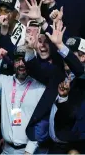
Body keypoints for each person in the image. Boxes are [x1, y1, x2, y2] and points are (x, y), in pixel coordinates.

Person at [23, 20, 84, 153]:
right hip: (54, 145)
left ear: (83, 57)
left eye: (70, 54)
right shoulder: (58, 74)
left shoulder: (81, 79)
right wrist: (29, 48)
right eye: (64, 53)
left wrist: (60, 45)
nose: (65, 57)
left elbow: (78, 69)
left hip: (76, 146)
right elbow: (35, 69)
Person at [0, 46, 46, 154]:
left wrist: (29, 150)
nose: (21, 64)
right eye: (18, 60)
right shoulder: (4, 81)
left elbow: (42, 122)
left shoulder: (40, 87)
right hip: (6, 149)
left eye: (25, 60)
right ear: (13, 63)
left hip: (29, 151)